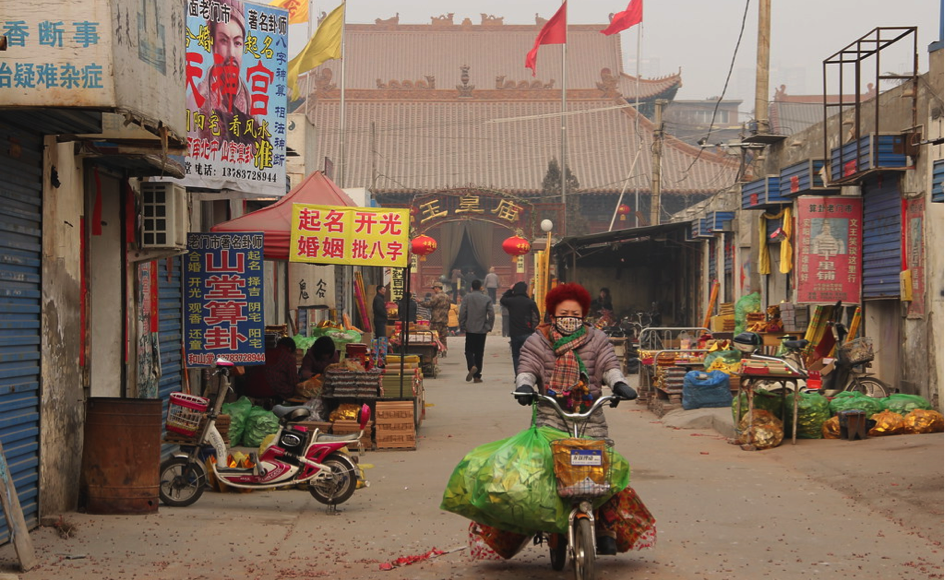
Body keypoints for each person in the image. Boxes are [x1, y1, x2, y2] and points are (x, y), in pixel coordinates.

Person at [513, 283, 637, 556]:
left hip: (590, 412)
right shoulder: (538, 341)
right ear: (552, 315)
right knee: (548, 467)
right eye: (563, 313)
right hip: (551, 411)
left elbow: (609, 366)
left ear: (584, 315)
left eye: (575, 313)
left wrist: (619, 385)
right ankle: (548, 521)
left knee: (602, 470)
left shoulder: (597, 339)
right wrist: (524, 386)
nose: (569, 318)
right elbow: (528, 367)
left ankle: (606, 529)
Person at [187, 0, 264, 147]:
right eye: (223, 41)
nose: (231, 54)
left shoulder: (250, 103)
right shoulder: (197, 101)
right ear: (213, 44)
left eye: (237, 43)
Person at [242, 337, 299, 403]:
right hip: (271, 392)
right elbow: (293, 380)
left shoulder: (266, 352)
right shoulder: (288, 357)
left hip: (249, 389)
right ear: (290, 348)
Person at [500, 281, 541, 375]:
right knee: (528, 355)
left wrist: (510, 290)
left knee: (516, 355)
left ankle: (518, 375)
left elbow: (503, 300)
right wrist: (533, 329)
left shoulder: (511, 301)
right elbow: (536, 317)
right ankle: (527, 373)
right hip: (528, 332)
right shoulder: (530, 302)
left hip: (515, 333)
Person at [459, 279, 494, 383]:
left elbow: (462, 312)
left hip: (470, 328)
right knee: (479, 352)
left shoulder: (467, 297)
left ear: (471, 287)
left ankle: (471, 366)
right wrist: (488, 326)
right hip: (482, 329)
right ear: (480, 287)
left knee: (469, 350)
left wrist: (462, 324)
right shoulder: (486, 298)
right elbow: (491, 314)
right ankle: (477, 376)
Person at [422, 283, 452, 357]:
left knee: (435, 336)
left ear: (437, 288)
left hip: (436, 319)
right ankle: (444, 350)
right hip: (444, 319)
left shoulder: (436, 296)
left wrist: (421, 303)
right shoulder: (447, 296)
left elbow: (430, 304)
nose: (433, 290)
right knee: (443, 336)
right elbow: (449, 307)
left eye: (434, 288)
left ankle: (437, 351)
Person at [373, 285, 389, 367]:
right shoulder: (378, 299)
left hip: (380, 320)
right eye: (383, 289)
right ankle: (380, 358)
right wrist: (386, 315)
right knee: (381, 337)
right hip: (379, 320)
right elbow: (379, 309)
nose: (384, 291)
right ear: (379, 290)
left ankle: (379, 357)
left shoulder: (380, 298)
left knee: (379, 338)